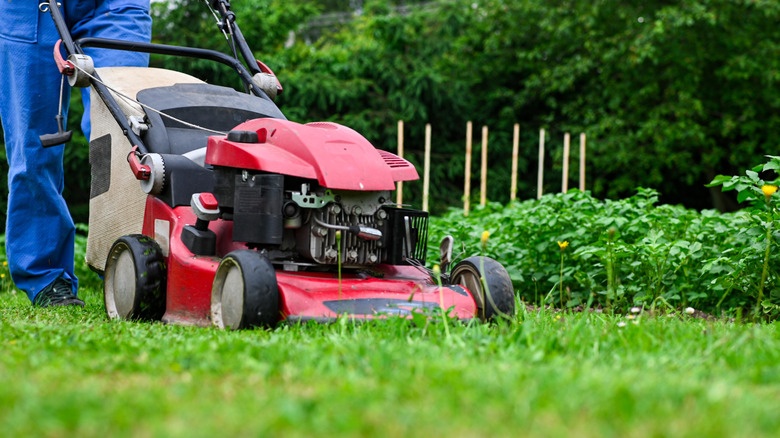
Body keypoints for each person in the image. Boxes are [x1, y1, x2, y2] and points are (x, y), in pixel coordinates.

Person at [0, 1, 152, 307]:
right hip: (28, 9)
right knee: (35, 147)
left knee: (124, 132)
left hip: (114, 6)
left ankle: (128, 266)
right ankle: (47, 278)